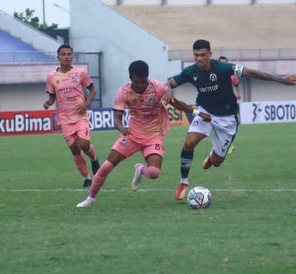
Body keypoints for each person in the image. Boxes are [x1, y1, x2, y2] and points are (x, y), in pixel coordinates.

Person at [164, 39, 296, 200]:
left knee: (216, 162)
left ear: (210, 54)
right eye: (196, 55)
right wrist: (168, 90)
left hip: (227, 118)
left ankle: (212, 156)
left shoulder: (223, 68)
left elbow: (252, 72)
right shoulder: (190, 72)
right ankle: (183, 181)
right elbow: (169, 83)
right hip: (205, 112)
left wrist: (280, 79)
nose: (199, 58)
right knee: (189, 143)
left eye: (202, 55)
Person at [76, 60, 203, 207]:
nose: (141, 85)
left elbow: (174, 100)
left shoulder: (156, 88)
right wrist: (122, 128)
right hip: (132, 135)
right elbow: (117, 118)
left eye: (144, 82)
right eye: (137, 82)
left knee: (154, 173)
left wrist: (197, 112)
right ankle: (90, 199)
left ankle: (140, 169)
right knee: (106, 167)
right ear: (131, 78)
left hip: (154, 136)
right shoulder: (123, 92)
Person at [44, 44, 100, 187]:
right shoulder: (52, 76)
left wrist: (87, 103)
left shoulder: (80, 73)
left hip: (80, 115)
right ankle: (87, 178)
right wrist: (48, 103)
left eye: (69, 54)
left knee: (84, 144)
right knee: (74, 149)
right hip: (64, 118)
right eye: (63, 54)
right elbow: (52, 96)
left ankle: (94, 158)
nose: (66, 57)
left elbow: (93, 90)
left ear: (72, 56)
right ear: (58, 57)